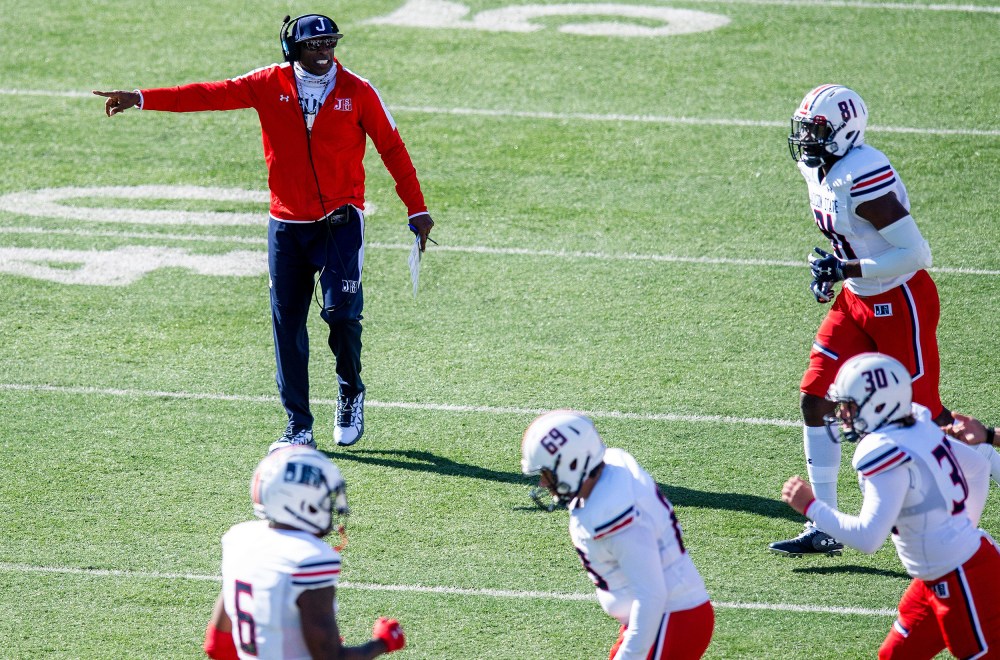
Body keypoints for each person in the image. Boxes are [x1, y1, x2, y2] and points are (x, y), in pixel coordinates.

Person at [94, 13, 435, 451]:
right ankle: (298, 424)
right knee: (287, 323)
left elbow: (391, 146)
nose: (325, 52)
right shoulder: (267, 82)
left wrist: (418, 207)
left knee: (342, 315)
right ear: (293, 49)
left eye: (331, 43)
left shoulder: (359, 91)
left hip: (340, 223)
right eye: (315, 45)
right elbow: (207, 95)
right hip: (287, 226)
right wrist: (141, 98)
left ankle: (350, 390)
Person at [770, 84, 953, 557]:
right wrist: (832, 271)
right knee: (816, 397)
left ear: (845, 131)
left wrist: (845, 268)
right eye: (806, 129)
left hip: (901, 299)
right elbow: (847, 238)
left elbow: (916, 253)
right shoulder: (815, 167)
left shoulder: (863, 173)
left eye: (818, 130)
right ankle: (825, 524)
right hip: (856, 299)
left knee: (925, 416)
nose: (807, 140)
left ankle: (984, 463)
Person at [781, 353, 1000, 658]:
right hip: (938, 574)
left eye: (850, 406)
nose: (843, 415)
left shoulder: (881, 449)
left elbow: (868, 538)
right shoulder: (918, 424)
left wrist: (812, 507)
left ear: (879, 404)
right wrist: (964, 528)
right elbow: (976, 466)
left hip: (965, 576)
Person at [521, 410, 714, 659]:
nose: (543, 484)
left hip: (669, 618)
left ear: (573, 463)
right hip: (661, 619)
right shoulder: (611, 467)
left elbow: (652, 594)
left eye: (546, 474)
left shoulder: (613, 512)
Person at [203, 445, 406, 659]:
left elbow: (217, 646)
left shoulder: (240, 539)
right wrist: (382, 643)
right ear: (303, 503)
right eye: (325, 498)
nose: (330, 506)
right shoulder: (308, 558)